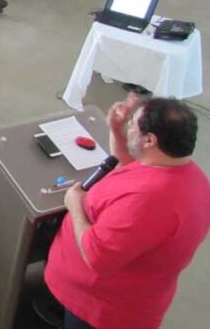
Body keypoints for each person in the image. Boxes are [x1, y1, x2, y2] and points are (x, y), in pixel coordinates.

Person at [44, 95, 210, 329]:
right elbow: (131, 163)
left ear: (150, 140)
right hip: (107, 294)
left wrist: (76, 206)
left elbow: (97, 255)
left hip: (97, 310)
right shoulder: (182, 172)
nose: (128, 126)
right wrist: (116, 128)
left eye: (133, 125)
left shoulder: (149, 202)